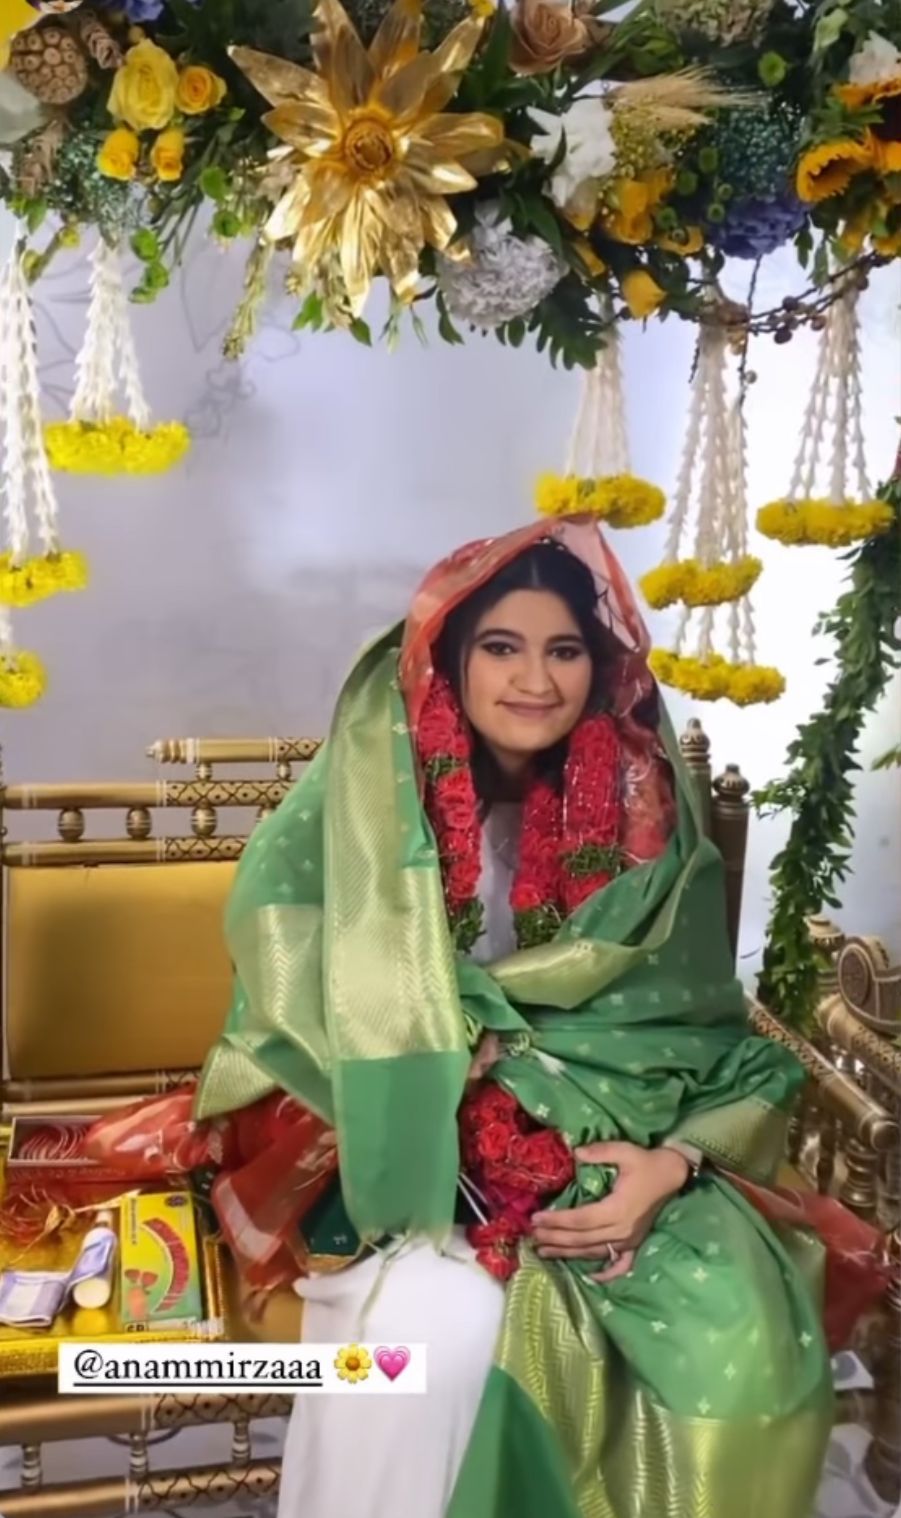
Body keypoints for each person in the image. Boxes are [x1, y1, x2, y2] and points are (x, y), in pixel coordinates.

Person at [193, 514, 835, 1518]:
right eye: (502, 647)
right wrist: (426, 1039)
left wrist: (671, 1166)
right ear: (450, 659)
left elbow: (702, 1033)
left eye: (564, 651)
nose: (535, 680)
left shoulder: (645, 826)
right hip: (394, 1141)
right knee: (426, 1352)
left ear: (599, 667)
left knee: (741, 1374)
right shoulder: (363, 805)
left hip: (618, 1137)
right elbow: (290, 980)